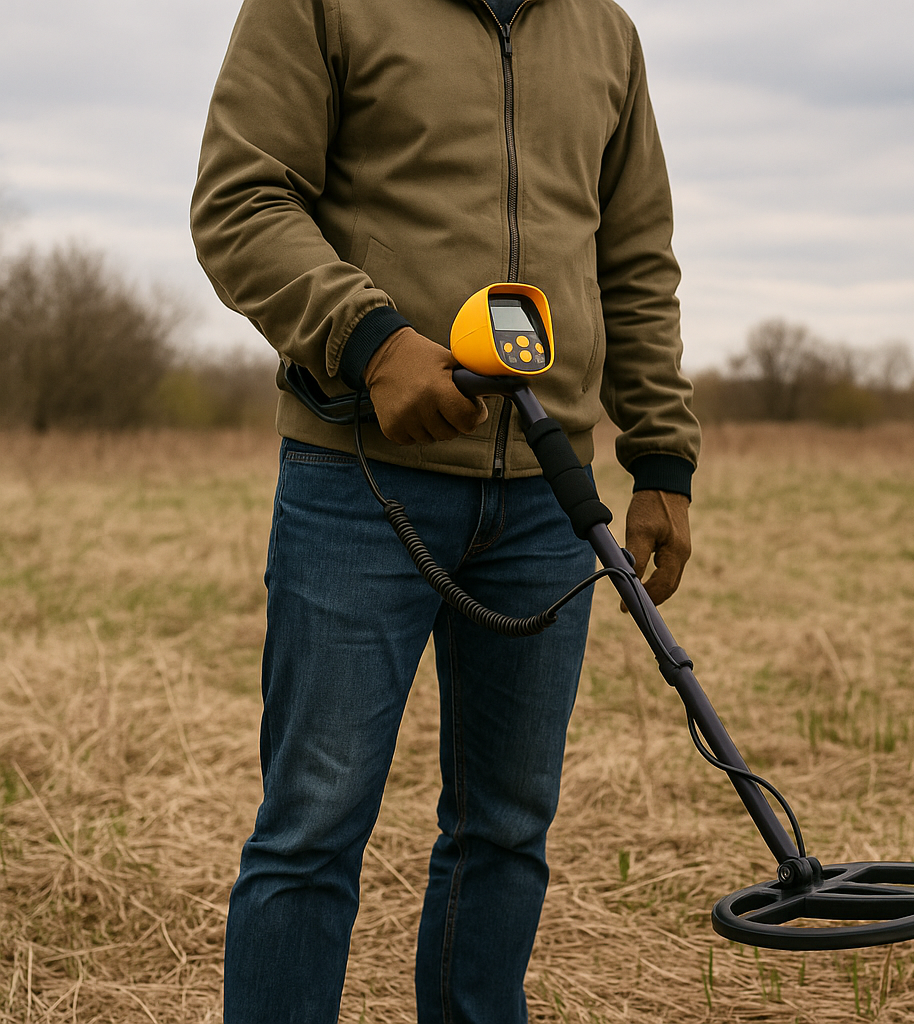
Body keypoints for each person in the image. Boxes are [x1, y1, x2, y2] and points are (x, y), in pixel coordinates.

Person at [190, 0, 700, 1019]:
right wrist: (372, 340)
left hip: (550, 499)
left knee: (508, 829)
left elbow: (635, 260)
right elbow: (240, 202)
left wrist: (659, 455)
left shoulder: (605, 31)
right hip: (358, 484)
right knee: (312, 826)